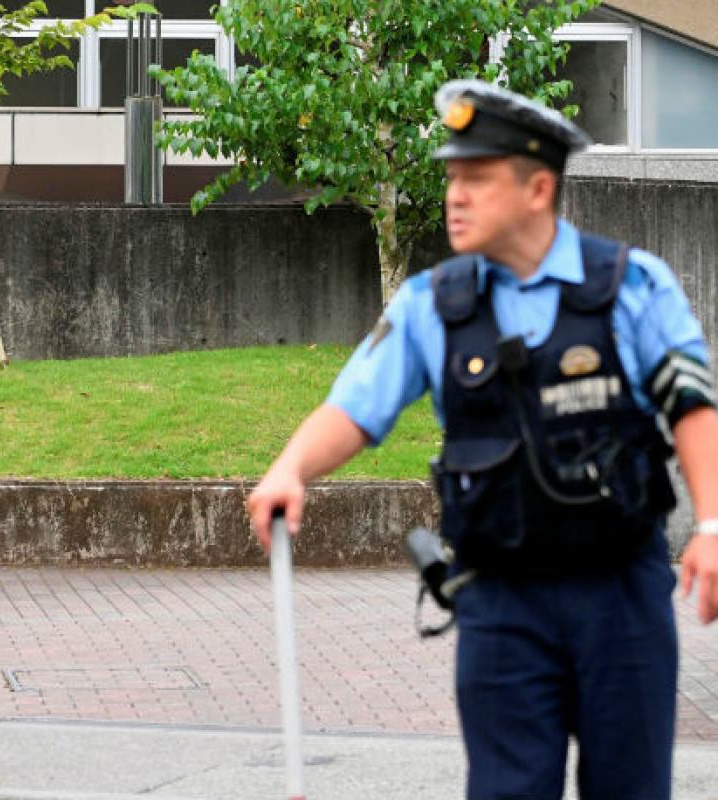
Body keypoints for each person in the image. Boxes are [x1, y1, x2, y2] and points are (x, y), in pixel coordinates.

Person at [246, 78, 718, 800]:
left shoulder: (632, 286)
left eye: (477, 178)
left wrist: (712, 525)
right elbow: (355, 408)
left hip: (621, 597)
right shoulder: (432, 306)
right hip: (501, 602)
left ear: (537, 189)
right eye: (451, 178)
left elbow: (693, 406)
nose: (454, 195)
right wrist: (291, 468)